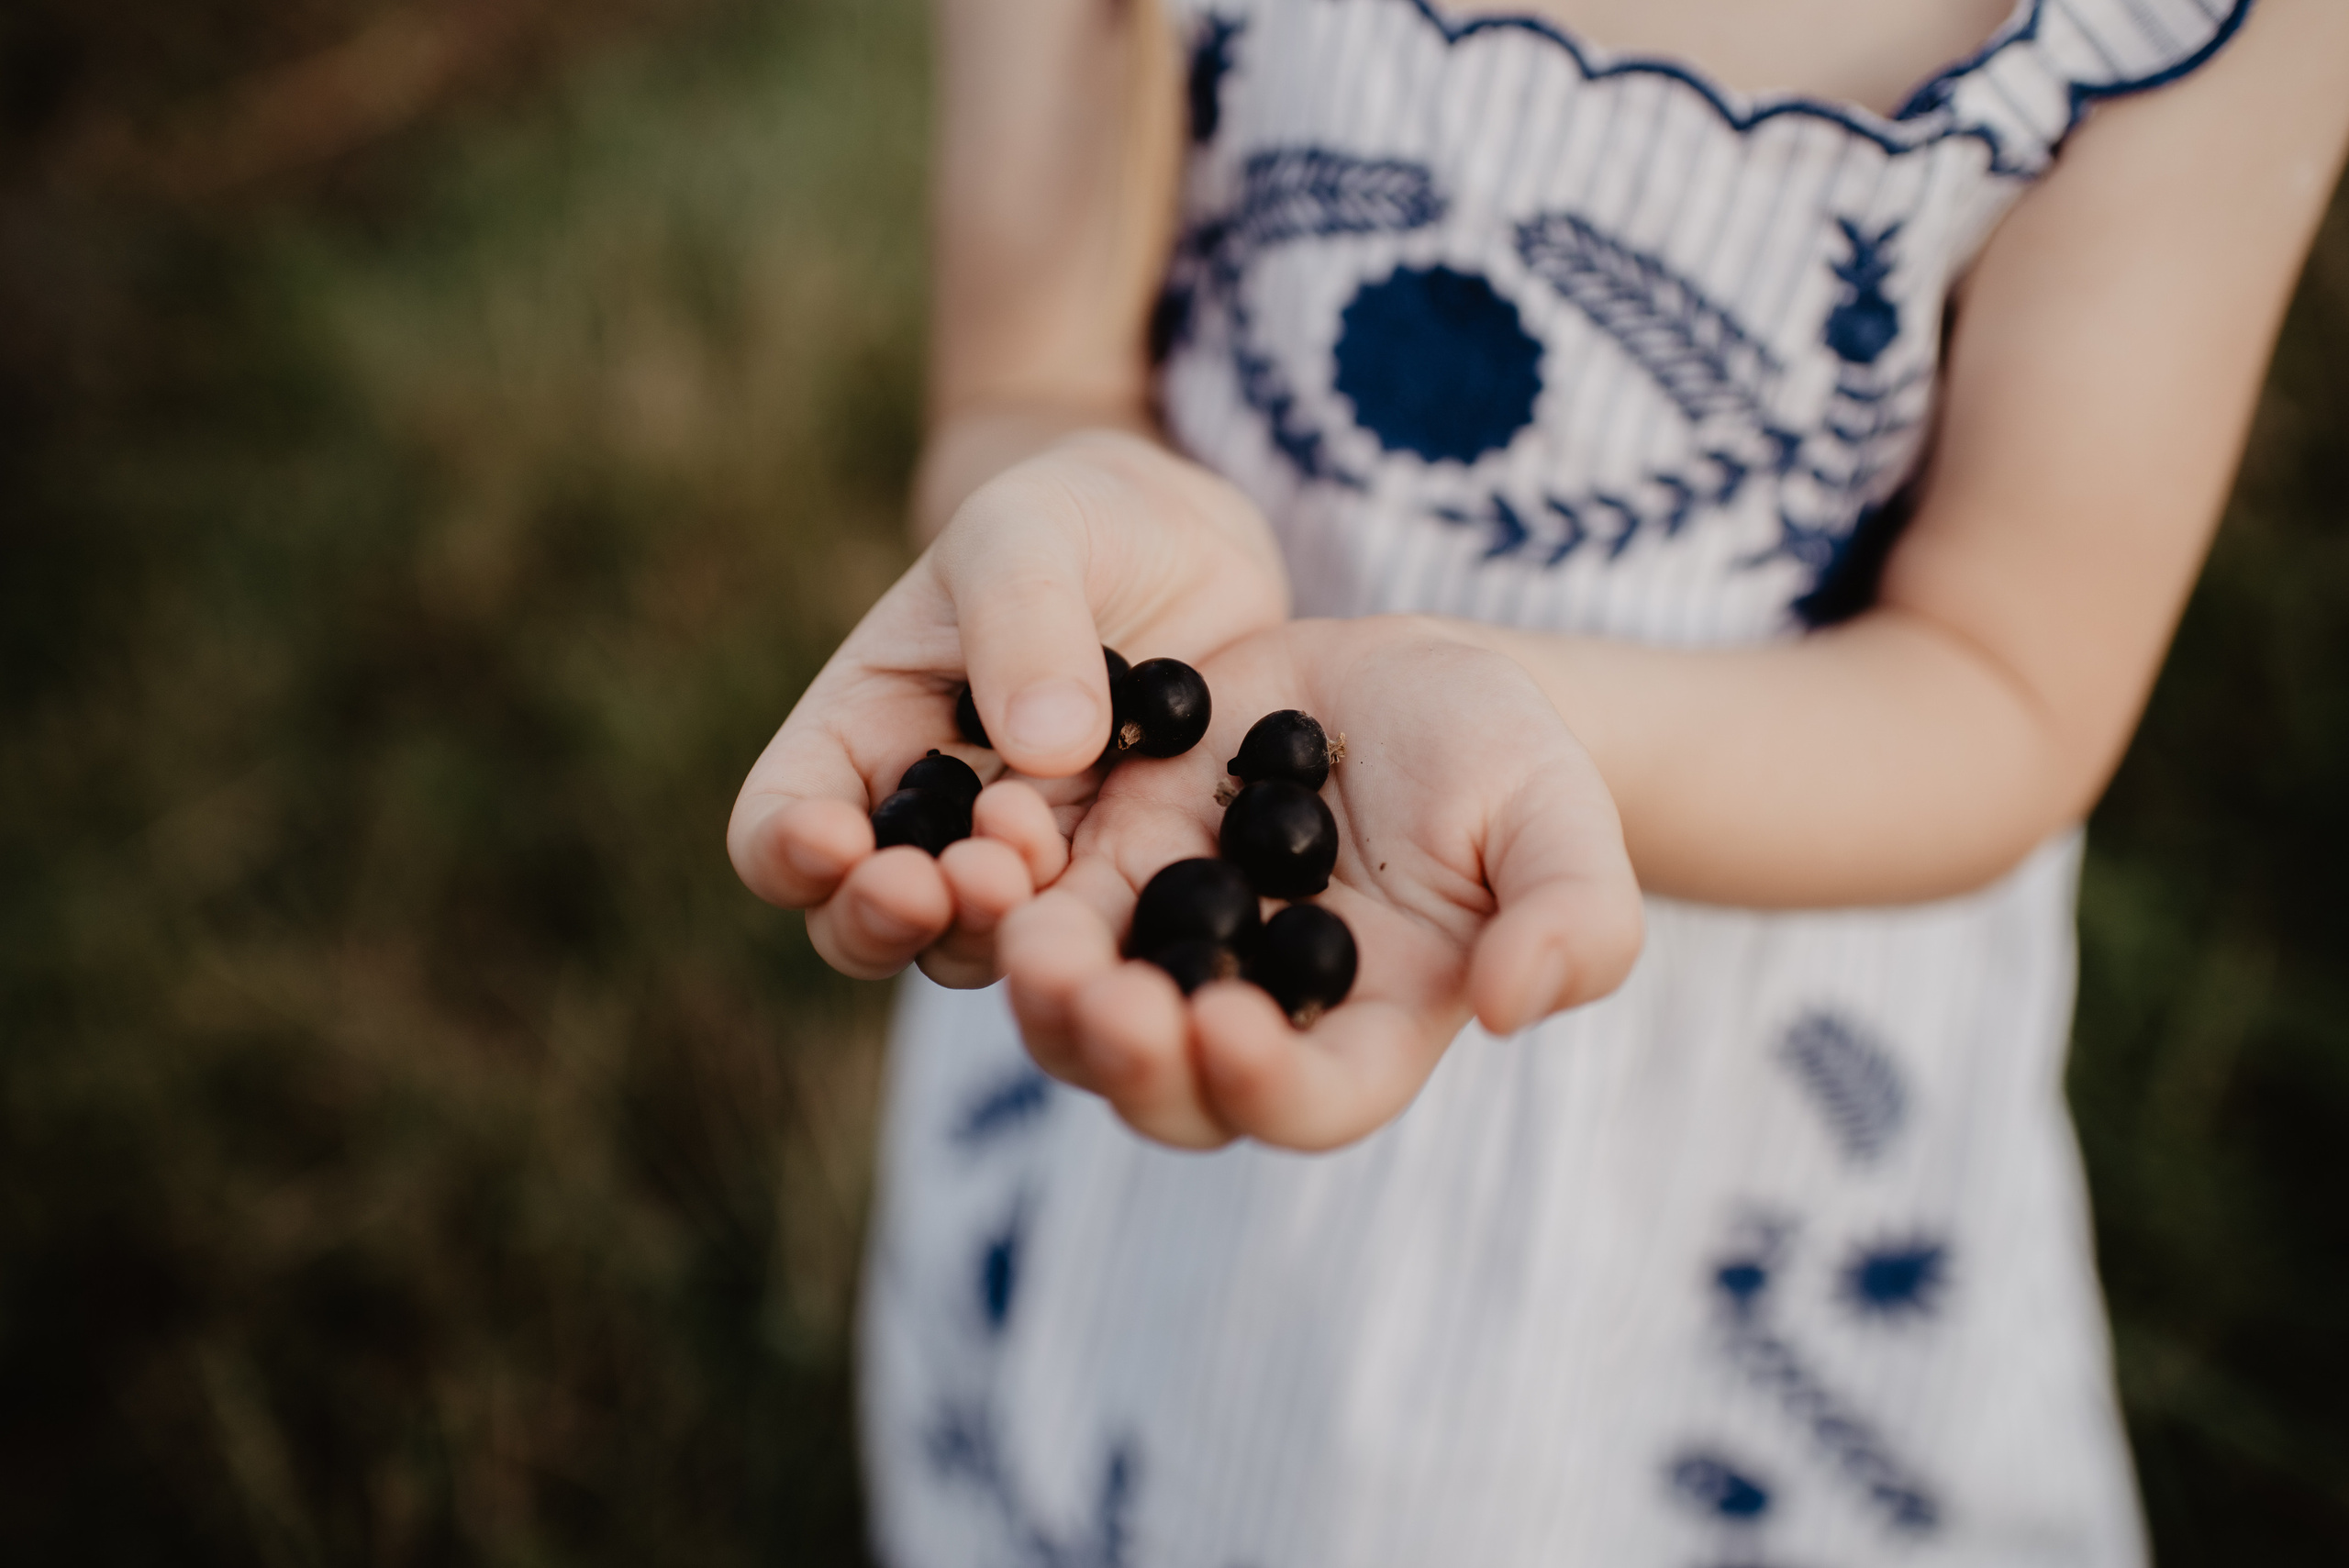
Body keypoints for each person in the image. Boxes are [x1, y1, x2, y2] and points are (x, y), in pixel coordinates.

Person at [730, 0, 2349, 1561]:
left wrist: (1519, 724)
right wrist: (1063, 508)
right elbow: (1027, 384)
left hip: (1711, 1065)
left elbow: (2002, 685)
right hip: (1139, 885)